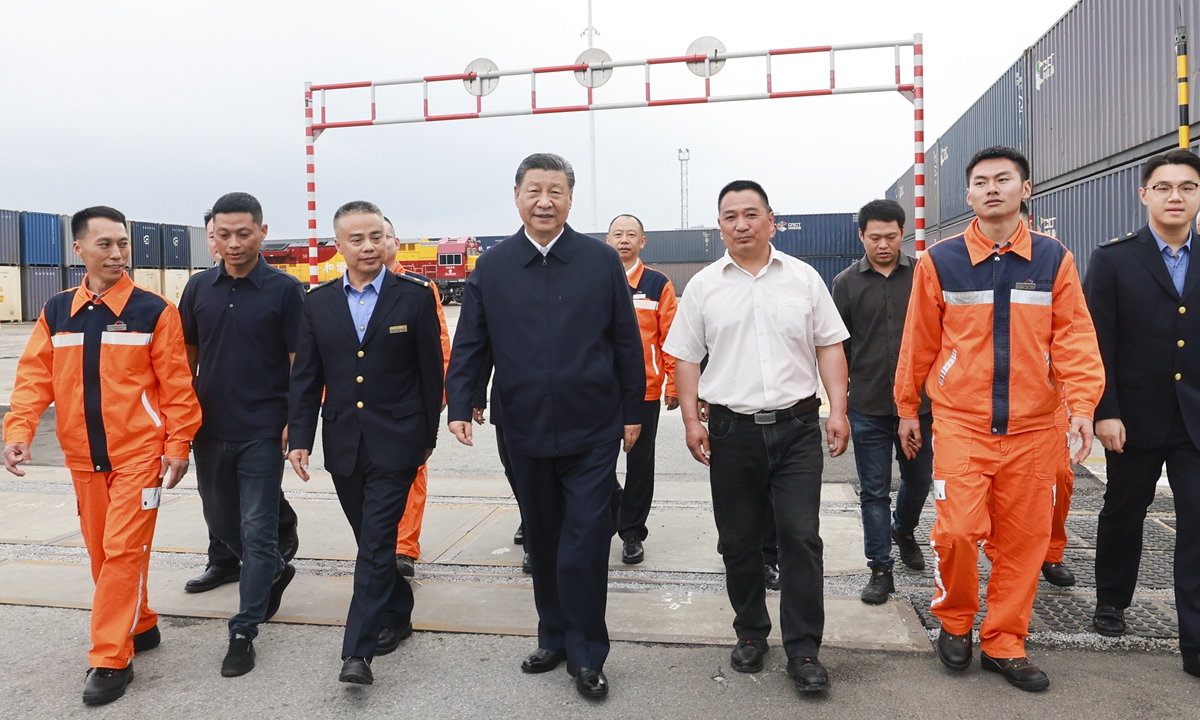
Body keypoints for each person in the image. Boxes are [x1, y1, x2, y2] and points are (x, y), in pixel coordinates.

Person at [894, 146, 1104, 692]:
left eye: (1003, 179)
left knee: (1024, 543)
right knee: (959, 532)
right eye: (981, 181)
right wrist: (905, 409)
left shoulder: (1053, 258)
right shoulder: (939, 261)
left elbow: (1075, 336)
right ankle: (956, 621)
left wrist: (1081, 406)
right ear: (968, 195)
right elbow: (918, 341)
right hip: (961, 423)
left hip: (1036, 429)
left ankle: (1005, 642)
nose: (992, 188)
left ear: (1025, 189)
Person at [444, 153, 645, 699]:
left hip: (593, 427)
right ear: (517, 196)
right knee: (545, 536)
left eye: (555, 191)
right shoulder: (494, 266)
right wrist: (461, 401)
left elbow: (626, 341)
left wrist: (632, 410)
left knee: (584, 541)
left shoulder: (600, 262)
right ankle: (553, 635)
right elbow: (472, 342)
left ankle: (586, 653)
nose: (544, 201)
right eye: (534, 190)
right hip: (524, 425)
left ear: (570, 199)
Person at [3, 206, 201, 705]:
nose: (117, 254)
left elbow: (178, 387)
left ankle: (110, 658)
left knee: (120, 552)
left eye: (123, 244)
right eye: (105, 245)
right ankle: (143, 623)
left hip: (140, 457)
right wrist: (19, 430)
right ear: (79, 251)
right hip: (82, 457)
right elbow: (33, 380)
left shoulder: (154, 311)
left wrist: (178, 444)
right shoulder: (55, 311)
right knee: (101, 553)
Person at [664, 179, 850, 694]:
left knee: (800, 537)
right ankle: (750, 632)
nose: (741, 224)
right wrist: (691, 420)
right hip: (731, 431)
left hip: (796, 430)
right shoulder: (703, 286)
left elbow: (830, 346)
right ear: (719, 226)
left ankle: (805, 649)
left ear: (772, 220)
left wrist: (838, 409)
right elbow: (685, 357)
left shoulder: (804, 278)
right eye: (730, 217)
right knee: (739, 541)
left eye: (751, 214)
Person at [288, 201, 443, 684]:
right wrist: (300, 437)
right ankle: (399, 607)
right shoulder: (317, 302)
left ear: (388, 239)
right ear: (340, 247)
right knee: (369, 540)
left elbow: (429, 374)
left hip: (398, 442)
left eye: (376, 235)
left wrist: (426, 438)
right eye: (357, 239)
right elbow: (307, 376)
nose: (369, 245)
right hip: (344, 442)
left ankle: (357, 652)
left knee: (376, 542)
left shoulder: (414, 296)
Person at [178, 192, 305, 677]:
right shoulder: (197, 289)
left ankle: (244, 629)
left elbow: (299, 363)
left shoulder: (284, 290)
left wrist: (296, 422)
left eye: (243, 233)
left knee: (255, 528)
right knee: (221, 519)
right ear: (214, 235)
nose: (232, 243)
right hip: (209, 429)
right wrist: (179, 418)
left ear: (262, 232)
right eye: (223, 234)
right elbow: (186, 357)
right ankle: (275, 567)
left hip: (262, 430)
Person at [1085, 148, 1200, 679]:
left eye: (1186, 187)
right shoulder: (1113, 258)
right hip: (1132, 415)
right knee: (1123, 512)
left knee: (1196, 525)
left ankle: (1194, 639)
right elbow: (1096, 342)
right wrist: (1104, 410)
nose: (1175, 197)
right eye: (1164, 187)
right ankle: (1111, 599)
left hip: (1195, 418)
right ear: (1144, 194)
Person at [831, 199, 933, 605]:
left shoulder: (925, 275)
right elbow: (837, 346)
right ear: (862, 236)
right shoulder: (846, 283)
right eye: (875, 237)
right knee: (873, 491)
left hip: (922, 406)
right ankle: (880, 568)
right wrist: (839, 406)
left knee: (919, 479)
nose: (884, 244)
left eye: (891, 236)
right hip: (869, 405)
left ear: (902, 234)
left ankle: (904, 530)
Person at [605, 213, 679, 564]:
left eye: (631, 234)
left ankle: (632, 532)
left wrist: (673, 385)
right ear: (607, 240)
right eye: (617, 234)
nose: (624, 240)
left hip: (644, 392)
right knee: (593, 463)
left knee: (640, 466)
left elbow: (671, 340)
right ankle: (613, 509)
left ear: (642, 241)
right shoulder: (594, 280)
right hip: (597, 393)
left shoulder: (657, 284)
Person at [382, 216, 451, 578]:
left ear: (395, 242)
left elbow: (439, 341)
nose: (377, 245)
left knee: (412, 473)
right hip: (365, 402)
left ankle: (404, 548)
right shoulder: (341, 290)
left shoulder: (420, 287)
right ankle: (378, 546)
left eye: (385, 236)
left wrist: (440, 392)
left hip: (409, 400)